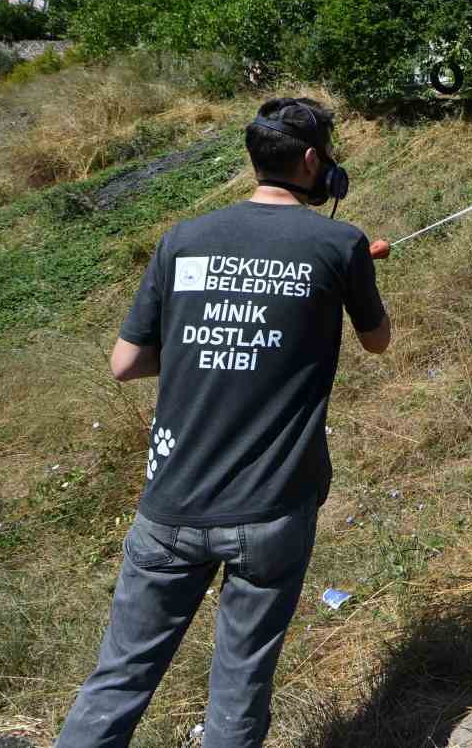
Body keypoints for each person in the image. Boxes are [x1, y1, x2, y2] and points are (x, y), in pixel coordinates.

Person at [55, 96, 392, 748]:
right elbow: (376, 342)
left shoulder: (183, 239)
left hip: (172, 505)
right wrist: (342, 278)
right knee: (239, 691)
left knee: (118, 678)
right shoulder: (338, 243)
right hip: (271, 513)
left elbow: (125, 364)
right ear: (315, 161)